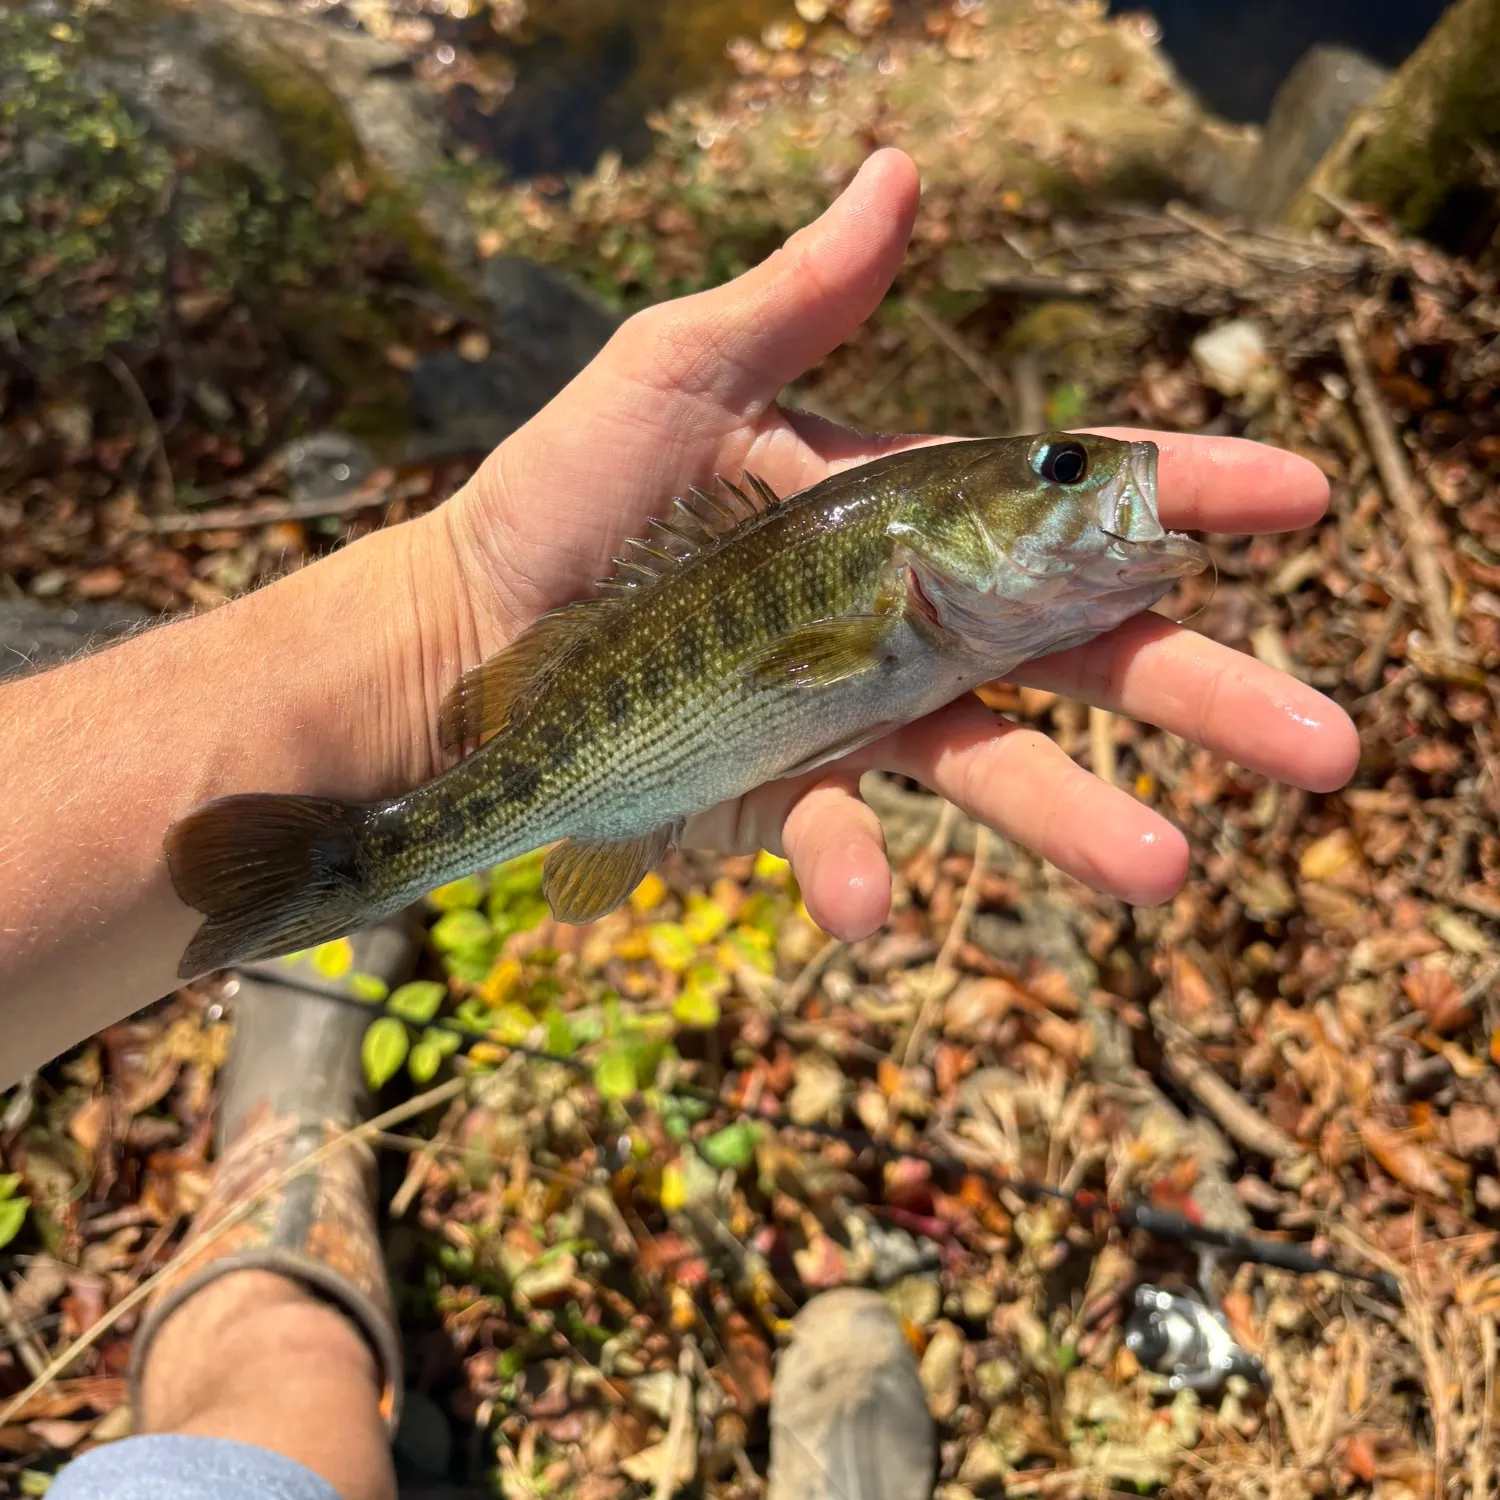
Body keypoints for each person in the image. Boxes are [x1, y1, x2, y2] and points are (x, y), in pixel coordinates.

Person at [2, 149, 1357, 1500]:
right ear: (931, 540)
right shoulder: (877, 575)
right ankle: (338, 979)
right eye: (1061, 472)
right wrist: (452, 593)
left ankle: (269, 1254)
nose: (1098, 484)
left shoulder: (908, 587)